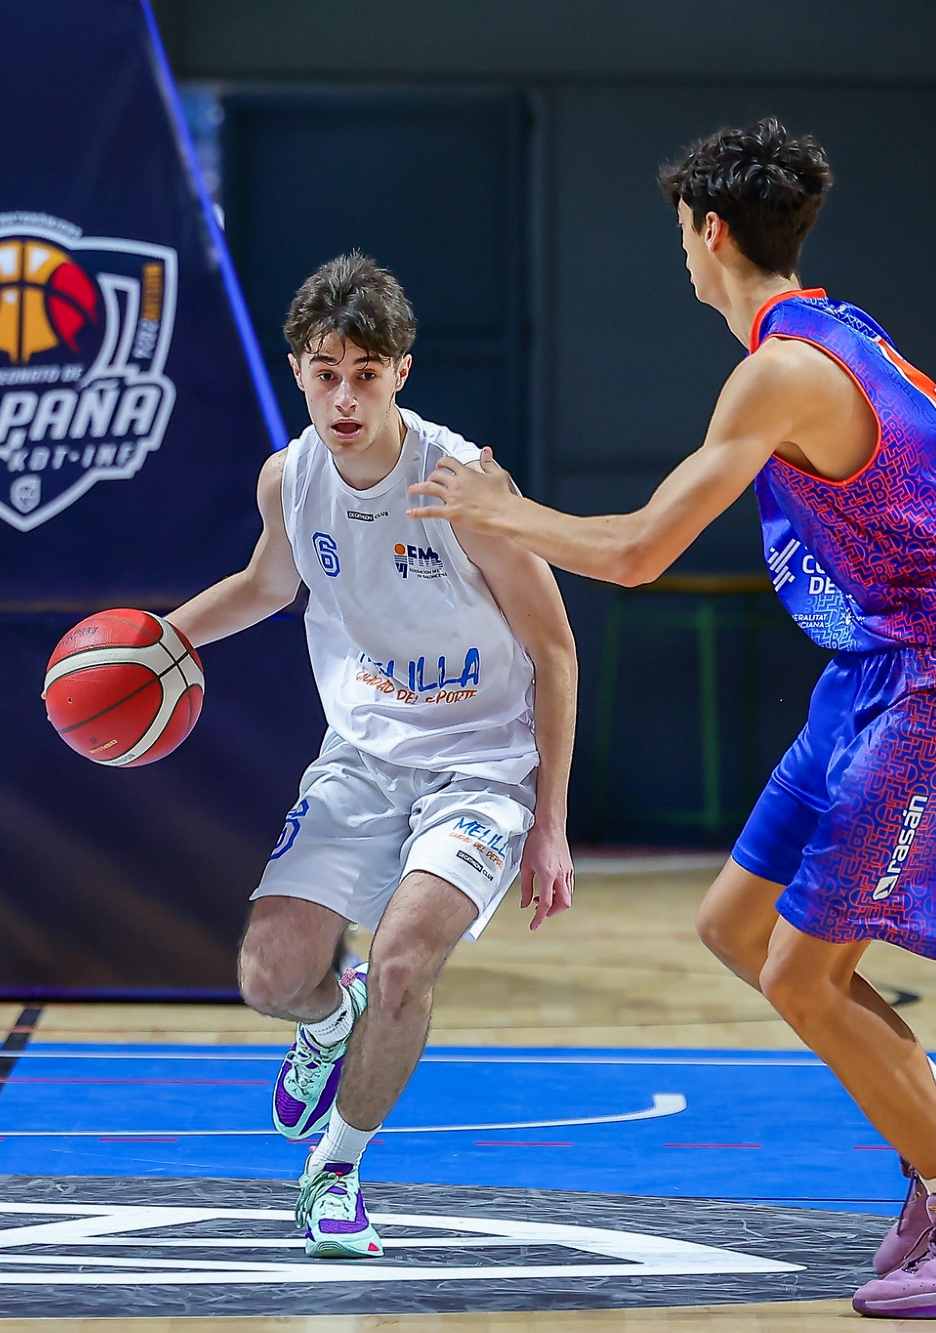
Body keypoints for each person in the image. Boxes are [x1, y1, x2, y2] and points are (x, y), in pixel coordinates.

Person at [408, 120, 936, 1317]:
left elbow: (632, 554)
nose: (682, 254)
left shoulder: (777, 368)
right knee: (737, 928)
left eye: (682, 234)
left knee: (805, 977)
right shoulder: (846, 329)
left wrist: (491, 509)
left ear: (709, 233)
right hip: (880, 671)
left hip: (933, 684)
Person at [166, 252, 577, 1258]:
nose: (342, 395)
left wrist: (553, 822)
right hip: (358, 754)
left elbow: (555, 647)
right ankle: (322, 1021)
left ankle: (335, 1171)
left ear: (400, 369)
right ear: (298, 372)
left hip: (479, 765)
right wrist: (158, 641)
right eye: (323, 372)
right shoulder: (290, 477)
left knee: (401, 963)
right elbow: (267, 587)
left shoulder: (463, 484)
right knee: (270, 976)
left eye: (363, 371)